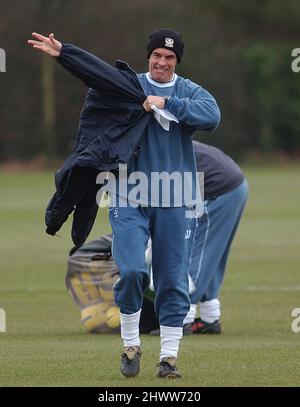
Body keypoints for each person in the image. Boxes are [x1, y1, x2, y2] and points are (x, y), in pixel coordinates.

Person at [28, 29, 220, 379]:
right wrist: (63, 53)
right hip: (128, 195)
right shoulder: (129, 86)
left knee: (172, 280)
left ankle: (169, 357)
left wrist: (167, 103)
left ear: (177, 62)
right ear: (148, 57)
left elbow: (212, 116)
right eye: (157, 56)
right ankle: (131, 344)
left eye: (170, 58)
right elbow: (96, 71)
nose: (162, 62)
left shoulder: (187, 91)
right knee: (131, 270)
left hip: (175, 198)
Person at [147, 141, 248, 335]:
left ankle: (182, 318)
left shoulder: (157, 150)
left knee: (196, 253)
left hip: (220, 189)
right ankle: (210, 317)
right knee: (212, 255)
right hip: (234, 185)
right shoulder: (161, 141)